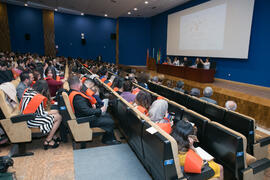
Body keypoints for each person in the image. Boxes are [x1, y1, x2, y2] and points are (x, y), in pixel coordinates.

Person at [68, 76, 120, 145]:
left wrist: (92, 106)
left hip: (82, 116)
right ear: (78, 84)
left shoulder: (72, 92)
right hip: (84, 120)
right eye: (81, 82)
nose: (82, 84)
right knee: (110, 121)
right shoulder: (77, 97)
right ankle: (108, 140)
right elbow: (86, 111)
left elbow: (83, 108)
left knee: (107, 115)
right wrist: (100, 110)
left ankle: (108, 137)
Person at [20, 80, 62, 149]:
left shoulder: (29, 91)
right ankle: (48, 140)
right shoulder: (37, 97)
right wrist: (54, 111)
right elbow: (41, 114)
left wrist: (53, 111)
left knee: (56, 112)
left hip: (26, 117)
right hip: (30, 120)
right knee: (59, 117)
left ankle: (52, 135)